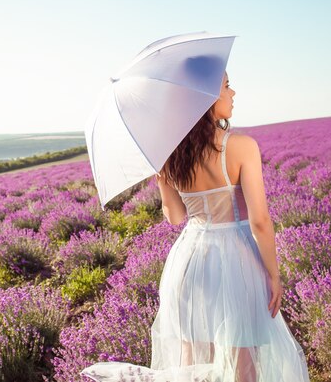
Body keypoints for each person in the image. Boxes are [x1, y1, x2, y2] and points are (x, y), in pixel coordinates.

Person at [80, 72, 310, 382]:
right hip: (237, 260)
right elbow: (260, 221)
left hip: (190, 260)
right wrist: (274, 274)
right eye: (226, 86)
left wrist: (162, 177)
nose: (233, 93)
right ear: (204, 99)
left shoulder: (172, 156)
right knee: (244, 365)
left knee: (192, 363)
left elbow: (175, 217)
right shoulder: (241, 146)